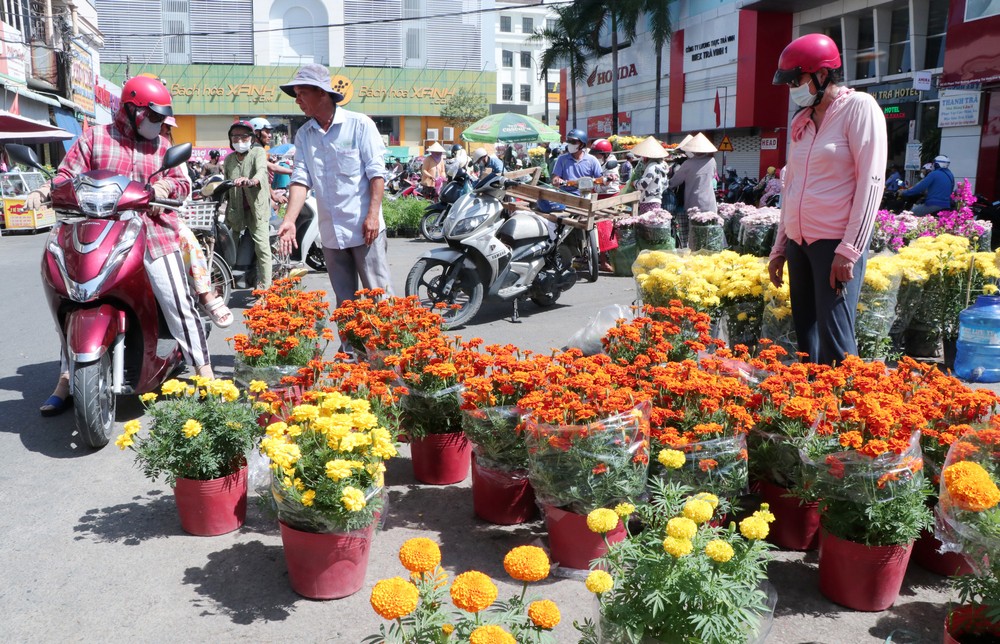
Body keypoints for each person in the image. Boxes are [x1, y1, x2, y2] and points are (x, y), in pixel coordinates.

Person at [25, 75, 214, 415]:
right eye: (153, 117)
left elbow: (182, 183)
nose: (158, 124)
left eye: (161, 119)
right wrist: (44, 190)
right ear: (131, 110)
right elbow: (67, 175)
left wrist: (163, 191)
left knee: (176, 301)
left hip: (152, 231)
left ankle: (205, 372)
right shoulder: (96, 138)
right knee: (71, 301)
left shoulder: (162, 146)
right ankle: (67, 378)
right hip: (96, 231)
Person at [767, 33, 887, 366]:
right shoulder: (801, 122)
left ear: (822, 74)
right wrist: (780, 247)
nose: (793, 88)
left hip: (834, 244)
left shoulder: (858, 109)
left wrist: (849, 250)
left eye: (797, 79)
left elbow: (871, 183)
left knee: (836, 342)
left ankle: (849, 412)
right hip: (799, 242)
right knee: (808, 342)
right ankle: (810, 412)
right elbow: (791, 186)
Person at [275, 64, 393, 324]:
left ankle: (387, 361)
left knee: (379, 298)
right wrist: (289, 221)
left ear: (322, 93)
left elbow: (376, 175)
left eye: (302, 93)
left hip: (365, 228)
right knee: (345, 304)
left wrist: (373, 215)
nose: (298, 101)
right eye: (295, 94)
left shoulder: (359, 125)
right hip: (331, 233)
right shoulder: (305, 135)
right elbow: (300, 179)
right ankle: (349, 359)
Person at [223, 120, 272, 291]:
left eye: (244, 136)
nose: (239, 140)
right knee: (227, 246)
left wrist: (251, 181)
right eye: (235, 136)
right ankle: (223, 284)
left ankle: (266, 290)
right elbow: (225, 183)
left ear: (251, 138)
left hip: (256, 209)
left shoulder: (257, 152)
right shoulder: (229, 160)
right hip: (236, 210)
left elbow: (261, 171)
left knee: (262, 248)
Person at [668, 132, 719, 248]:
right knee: (709, 232)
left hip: (694, 202)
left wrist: (667, 185)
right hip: (710, 202)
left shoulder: (688, 163)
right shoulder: (712, 161)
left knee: (695, 234)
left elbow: (674, 182)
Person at [550, 129, 602, 194]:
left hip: (585, 194)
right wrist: (556, 180)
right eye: (569, 141)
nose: (570, 144)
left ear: (582, 144)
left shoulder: (592, 160)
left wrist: (608, 178)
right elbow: (555, 178)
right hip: (565, 194)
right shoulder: (562, 159)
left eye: (574, 142)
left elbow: (600, 179)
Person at [631, 136, 670, 214]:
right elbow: (665, 185)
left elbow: (643, 184)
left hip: (648, 200)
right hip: (657, 200)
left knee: (647, 223)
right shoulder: (662, 167)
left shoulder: (652, 167)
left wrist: (634, 183)